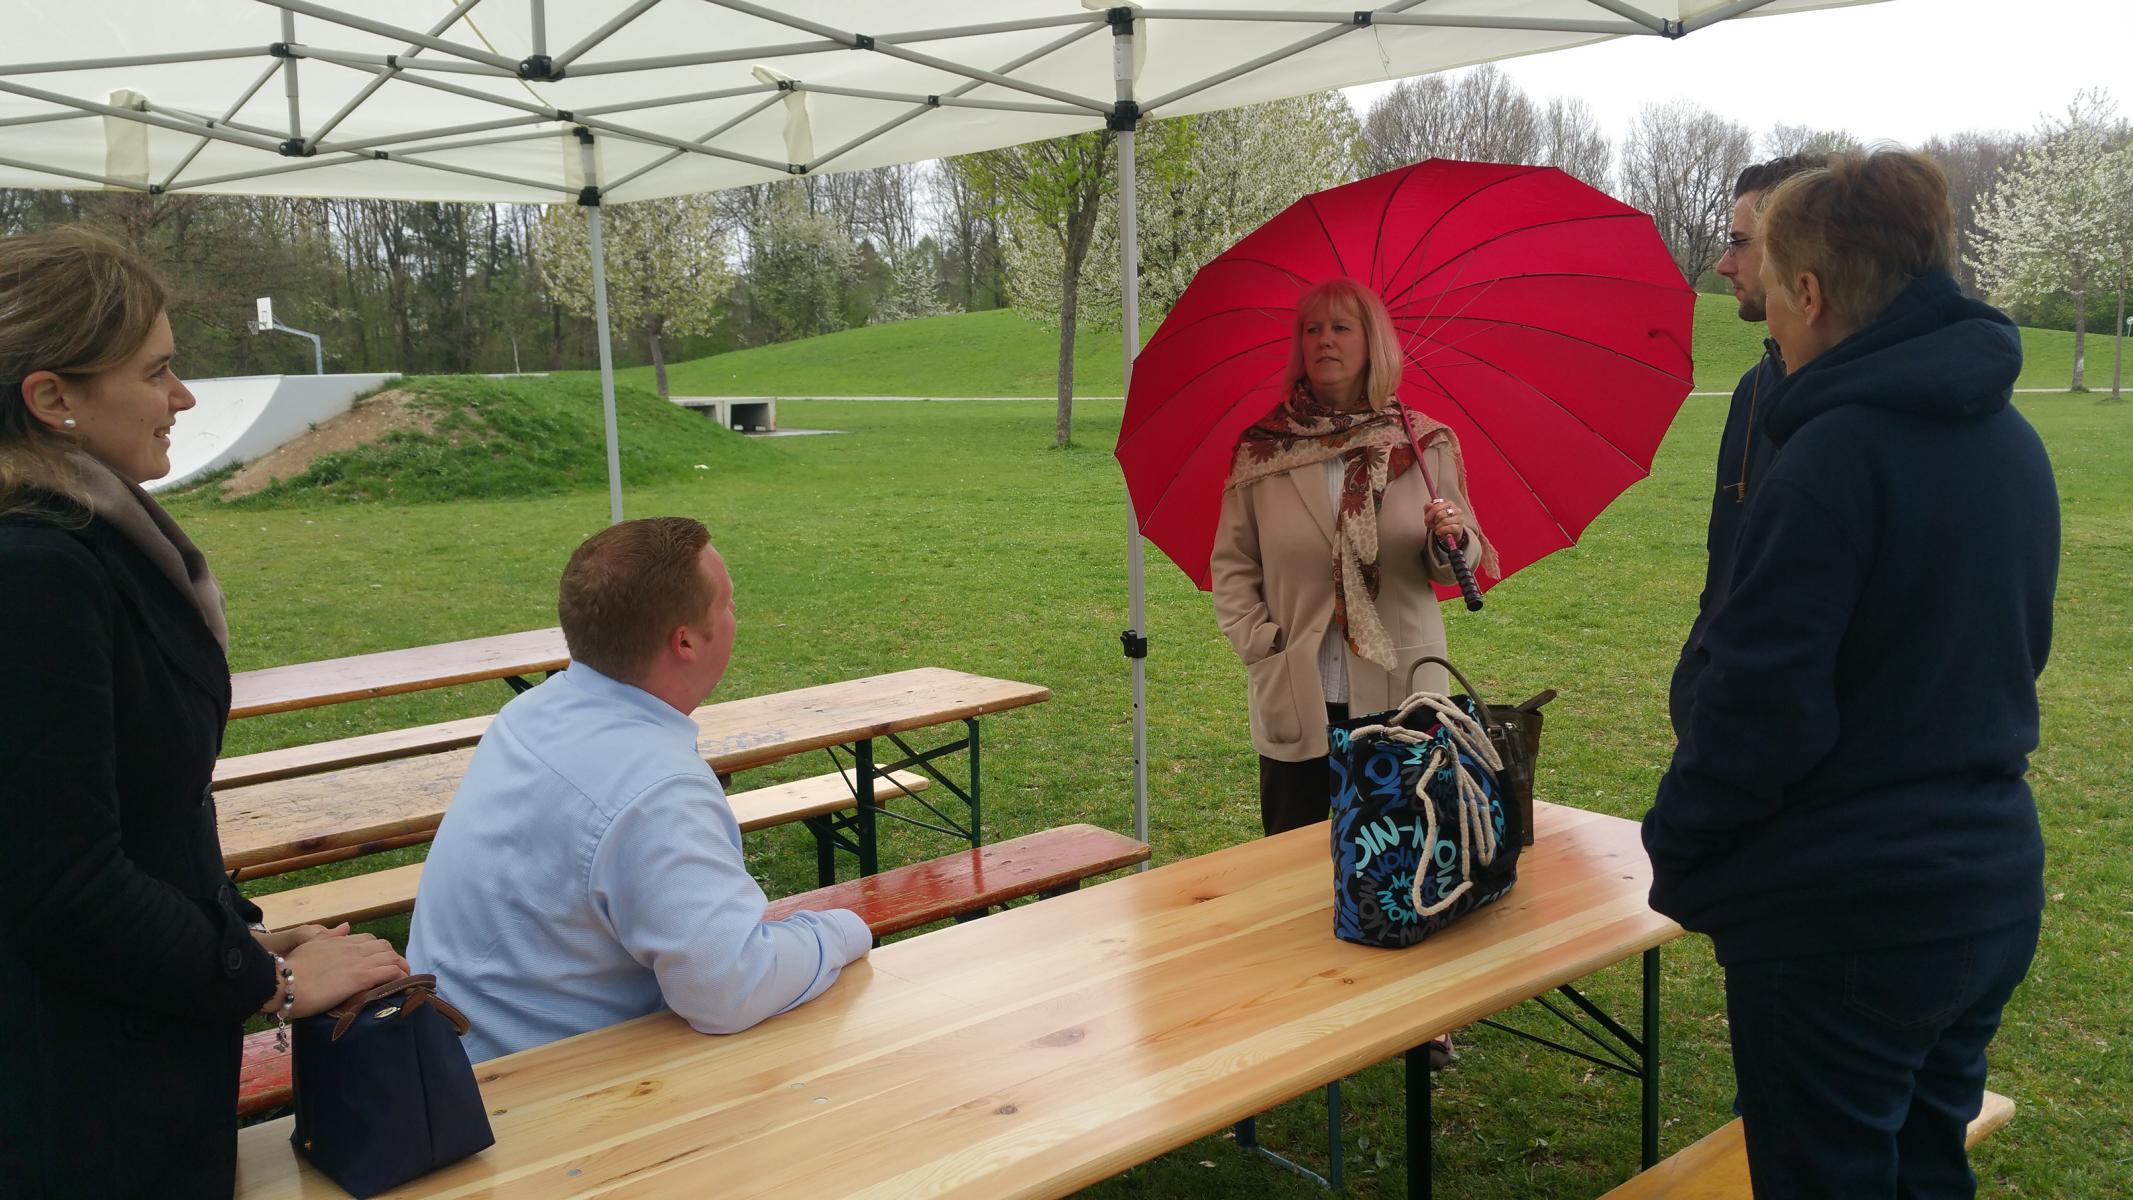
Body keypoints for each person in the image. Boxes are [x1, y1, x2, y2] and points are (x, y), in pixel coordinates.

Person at [1643, 151, 2058, 1198]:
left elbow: (1759, 710)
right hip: (1986, 886)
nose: (1770, 317)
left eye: (1772, 286)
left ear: (1810, 292)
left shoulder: (1831, 457)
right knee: (1923, 1170)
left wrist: (1678, 843)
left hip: (1845, 918)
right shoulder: (2010, 440)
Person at [0, 226, 410, 1199]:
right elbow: (63, 888)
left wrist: (245, 940)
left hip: (126, 1055)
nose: (183, 398)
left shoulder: (85, 539)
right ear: (51, 399)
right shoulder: (33, 570)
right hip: (80, 1107)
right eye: (157, 372)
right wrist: (267, 983)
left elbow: (125, 821)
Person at [407, 516, 872, 1064]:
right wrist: (843, 929)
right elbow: (729, 988)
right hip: (534, 1085)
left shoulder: (531, 712)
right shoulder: (657, 787)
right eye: (727, 603)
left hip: (448, 1046)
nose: (734, 615)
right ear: (685, 641)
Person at [1211, 277, 1495, 837]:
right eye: (1312, 329)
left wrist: (1450, 537)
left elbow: (1453, 561)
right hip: (1298, 683)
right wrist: (1262, 643)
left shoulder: (1422, 443)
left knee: (1398, 858)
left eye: (1342, 328)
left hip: (1401, 688)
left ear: (1373, 344)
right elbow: (1233, 564)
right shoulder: (1262, 450)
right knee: (1290, 862)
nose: (1324, 340)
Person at [1667, 152, 1824, 737]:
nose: (1722, 264)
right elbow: (1728, 572)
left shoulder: (1856, 428)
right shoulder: (1754, 390)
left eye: (1739, 243)